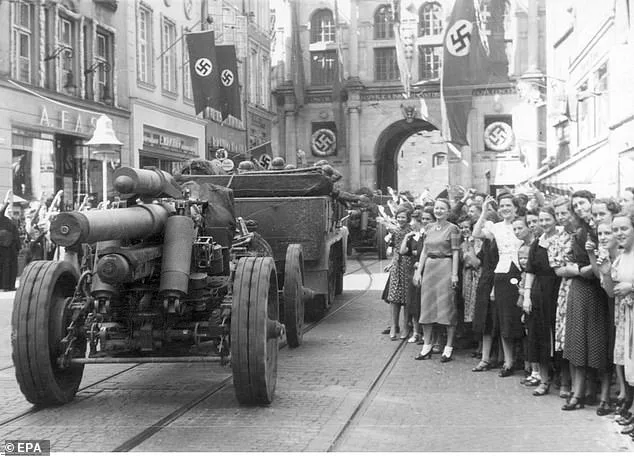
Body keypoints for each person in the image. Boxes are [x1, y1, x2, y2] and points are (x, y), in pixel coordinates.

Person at [561, 190, 610, 411]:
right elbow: (569, 262)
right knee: (578, 339)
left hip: (602, 289)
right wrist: (580, 270)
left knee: (600, 341)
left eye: (582, 203)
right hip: (582, 289)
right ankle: (579, 392)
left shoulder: (604, 228)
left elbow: (598, 268)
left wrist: (582, 269)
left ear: (592, 202)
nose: (580, 208)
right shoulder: (579, 232)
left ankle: (598, 393)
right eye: (576, 205)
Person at [473, 193, 524, 377]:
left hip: (520, 272)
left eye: (508, 205)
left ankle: (525, 363)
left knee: (518, 319)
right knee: (504, 320)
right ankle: (508, 362)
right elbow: (476, 233)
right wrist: (485, 211)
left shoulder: (522, 224)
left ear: (516, 208)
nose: (504, 209)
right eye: (502, 206)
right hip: (502, 274)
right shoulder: (496, 227)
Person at [597, 212, 634, 432]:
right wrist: (606, 274)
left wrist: (632, 287)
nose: (619, 234)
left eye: (624, 229)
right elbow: (611, 293)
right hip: (624, 318)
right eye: (615, 230)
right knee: (630, 366)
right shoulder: (620, 256)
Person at [413, 198, 461, 362]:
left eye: (442, 208)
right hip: (430, 269)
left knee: (446, 306)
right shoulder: (428, 227)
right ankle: (427, 345)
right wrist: (418, 272)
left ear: (448, 211)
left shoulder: (453, 228)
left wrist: (454, 274)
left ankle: (448, 347)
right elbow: (425, 251)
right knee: (427, 306)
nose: (439, 211)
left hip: (445, 266)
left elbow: (455, 252)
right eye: (437, 208)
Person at [522, 206, 562, 396]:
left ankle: (564, 383)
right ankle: (544, 380)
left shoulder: (562, 240)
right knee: (540, 337)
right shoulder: (537, 243)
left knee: (559, 337)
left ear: (555, 219)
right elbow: (530, 271)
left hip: (558, 291)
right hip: (539, 293)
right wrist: (527, 297)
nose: (544, 223)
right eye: (541, 220)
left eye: (548, 219)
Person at [385, 206, 413, 340]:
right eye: (399, 217)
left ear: (408, 218)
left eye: (403, 217)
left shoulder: (412, 231)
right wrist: (391, 263)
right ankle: (393, 326)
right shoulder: (395, 231)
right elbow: (396, 250)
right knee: (393, 296)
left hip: (408, 265)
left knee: (407, 297)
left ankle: (406, 326)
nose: (401, 219)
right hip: (397, 265)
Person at [400, 209, 426, 343]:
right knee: (413, 303)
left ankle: (424, 333)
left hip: (423, 271)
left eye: (413, 221)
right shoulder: (413, 237)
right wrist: (406, 237)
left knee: (422, 302)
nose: (411, 224)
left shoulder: (425, 235)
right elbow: (402, 251)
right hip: (412, 273)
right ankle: (416, 332)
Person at [0, 191, 20, 291]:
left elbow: (15, 234)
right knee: (5, 267)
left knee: (12, 267)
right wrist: (7, 202)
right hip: (4, 247)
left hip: (11, 246)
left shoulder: (8, 221)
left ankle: (10, 285)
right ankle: (5, 286)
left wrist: (18, 247)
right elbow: (1, 211)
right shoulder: (1, 219)